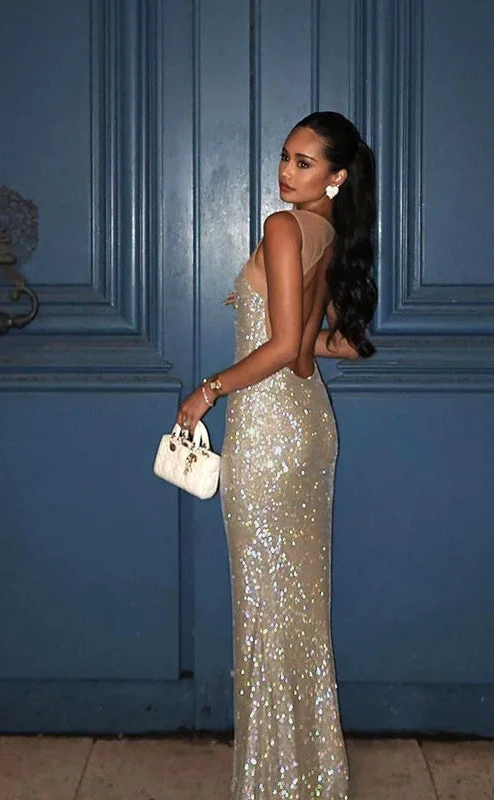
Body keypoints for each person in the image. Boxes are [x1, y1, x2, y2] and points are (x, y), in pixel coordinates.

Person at [176, 110, 377, 800]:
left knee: (267, 609)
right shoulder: (331, 234)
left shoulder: (285, 227)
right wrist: (279, 330)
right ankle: (306, 777)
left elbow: (282, 345)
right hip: (307, 428)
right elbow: (322, 346)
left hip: (268, 435)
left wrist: (208, 390)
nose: (286, 172)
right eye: (286, 157)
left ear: (336, 176)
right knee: (297, 610)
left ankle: (273, 784)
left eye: (303, 162)